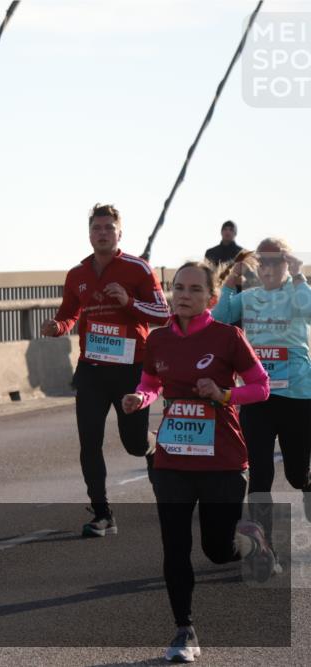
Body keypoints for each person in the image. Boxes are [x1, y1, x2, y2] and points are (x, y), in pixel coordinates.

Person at [121, 261, 274, 663]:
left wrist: (224, 394)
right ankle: (183, 630)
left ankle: (251, 538)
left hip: (222, 458)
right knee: (174, 545)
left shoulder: (228, 337)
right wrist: (142, 399)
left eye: (193, 289)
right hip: (173, 457)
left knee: (218, 550)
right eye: (178, 287)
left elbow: (261, 387)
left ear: (212, 297)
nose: (184, 295)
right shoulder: (157, 340)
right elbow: (151, 382)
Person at [41, 203, 170, 537]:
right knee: (89, 442)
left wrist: (129, 302)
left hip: (130, 370)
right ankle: (102, 513)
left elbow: (163, 314)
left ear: (119, 233)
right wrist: (57, 326)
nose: (103, 233)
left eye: (109, 228)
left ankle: (152, 446)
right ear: (89, 233)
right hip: (92, 369)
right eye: (97, 228)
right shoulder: (77, 274)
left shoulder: (138, 269)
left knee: (133, 444)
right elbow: (70, 313)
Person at [212, 238, 311, 528]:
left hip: (297, 397)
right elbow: (220, 320)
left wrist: (298, 274)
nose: (268, 267)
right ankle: (263, 542)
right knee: (260, 472)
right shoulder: (248, 297)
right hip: (258, 397)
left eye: (276, 260)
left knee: (296, 474)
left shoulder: (298, 293)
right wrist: (231, 280)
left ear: (286, 262)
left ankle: (307, 486)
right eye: (263, 261)